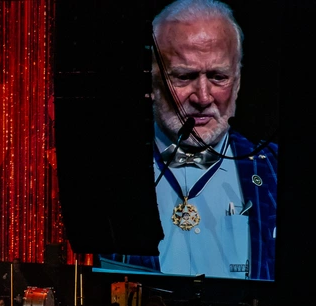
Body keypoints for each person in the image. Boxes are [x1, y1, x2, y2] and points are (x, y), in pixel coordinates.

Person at [102, 0, 277, 280]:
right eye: (184, 77)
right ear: (150, 81)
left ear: (239, 80)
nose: (204, 97)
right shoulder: (106, 172)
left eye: (219, 77)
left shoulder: (275, 172)